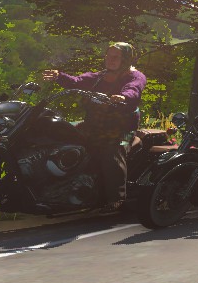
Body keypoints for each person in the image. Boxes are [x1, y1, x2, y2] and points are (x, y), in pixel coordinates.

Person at [40, 42, 146, 199]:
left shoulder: (135, 76)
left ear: (126, 59)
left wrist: (123, 97)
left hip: (122, 130)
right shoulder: (99, 77)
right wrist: (59, 76)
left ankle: (116, 199)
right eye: (108, 56)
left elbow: (133, 90)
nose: (110, 59)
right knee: (62, 136)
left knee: (112, 154)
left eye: (116, 57)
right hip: (93, 126)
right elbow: (77, 81)